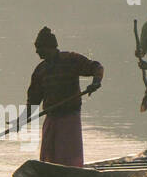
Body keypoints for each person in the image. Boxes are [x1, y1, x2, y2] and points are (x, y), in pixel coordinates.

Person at [26, 26, 103, 168]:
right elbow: (33, 100)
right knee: (50, 158)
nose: (37, 52)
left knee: (68, 159)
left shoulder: (70, 60)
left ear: (49, 47)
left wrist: (96, 82)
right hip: (52, 117)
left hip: (69, 117)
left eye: (39, 48)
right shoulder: (40, 70)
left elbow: (96, 67)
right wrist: (21, 120)